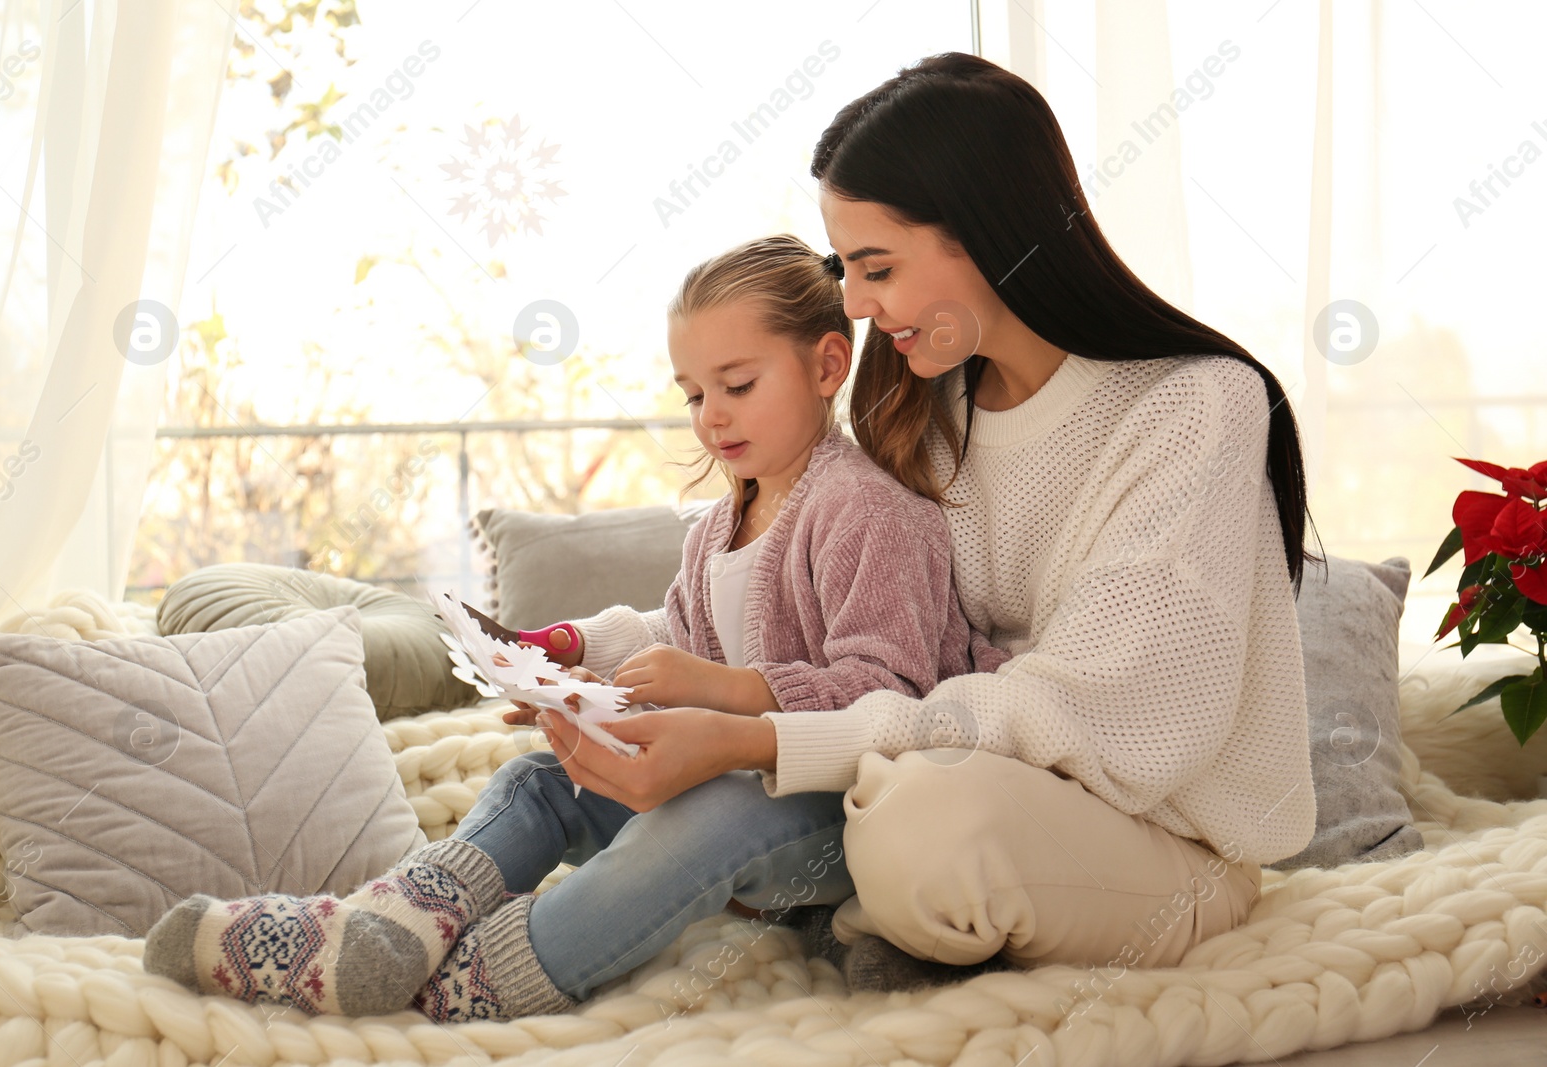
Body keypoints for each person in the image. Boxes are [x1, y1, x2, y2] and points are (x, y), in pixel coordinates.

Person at [530, 52, 1320, 986]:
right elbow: (814, 608)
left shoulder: (1195, 408)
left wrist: (763, 735)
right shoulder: (926, 415)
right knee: (871, 798)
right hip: (943, 772)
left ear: (991, 234)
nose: (857, 308)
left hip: (1160, 844)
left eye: (877, 268)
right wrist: (601, 655)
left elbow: (1102, 713)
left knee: (916, 827)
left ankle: (861, 914)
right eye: (847, 271)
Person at [142, 233, 1004, 1020]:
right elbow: (684, 630)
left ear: (825, 367)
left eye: (738, 386)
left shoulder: (868, 511)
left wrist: (721, 691)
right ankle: (394, 923)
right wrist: (569, 669)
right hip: (727, 779)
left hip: (836, 814)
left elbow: (889, 694)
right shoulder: (718, 526)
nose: (712, 415)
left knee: (710, 820)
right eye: (695, 393)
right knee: (536, 781)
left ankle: (477, 978)